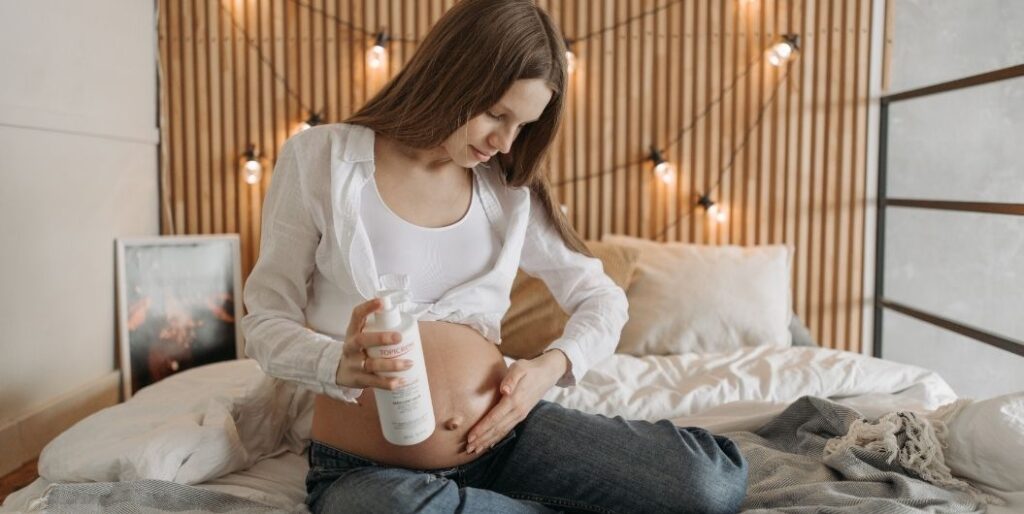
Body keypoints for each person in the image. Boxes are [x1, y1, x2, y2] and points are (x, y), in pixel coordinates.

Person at [241, 0, 748, 512]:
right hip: (371, 470)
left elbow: (602, 298)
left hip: (508, 438)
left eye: (523, 126)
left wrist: (550, 368)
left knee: (711, 485)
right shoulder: (323, 159)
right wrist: (334, 362)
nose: (504, 142)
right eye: (496, 115)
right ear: (451, 74)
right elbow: (265, 318)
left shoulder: (506, 188)